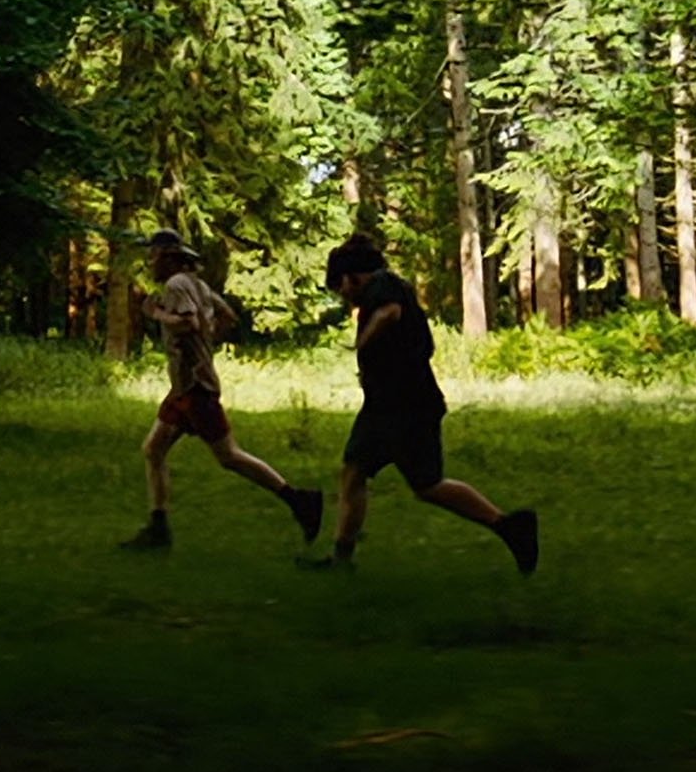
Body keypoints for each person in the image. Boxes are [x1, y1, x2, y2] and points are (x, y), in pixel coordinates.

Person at [308, 235, 537, 573]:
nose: (342, 294)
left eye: (339, 286)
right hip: (394, 406)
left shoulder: (382, 285)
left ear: (351, 276)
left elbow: (390, 313)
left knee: (413, 483)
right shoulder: (386, 288)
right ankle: (342, 559)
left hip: (404, 408)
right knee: (369, 475)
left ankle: (510, 526)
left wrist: (362, 342)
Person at [120, 230, 324, 551]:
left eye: (154, 255)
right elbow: (228, 315)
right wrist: (206, 344)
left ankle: (299, 501)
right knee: (153, 449)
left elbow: (188, 323)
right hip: (183, 388)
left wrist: (156, 313)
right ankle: (158, 529)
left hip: (196, 388)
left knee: (229, 456)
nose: (150, 261)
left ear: (169, 258)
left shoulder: (176, 285)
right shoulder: (199, 285)